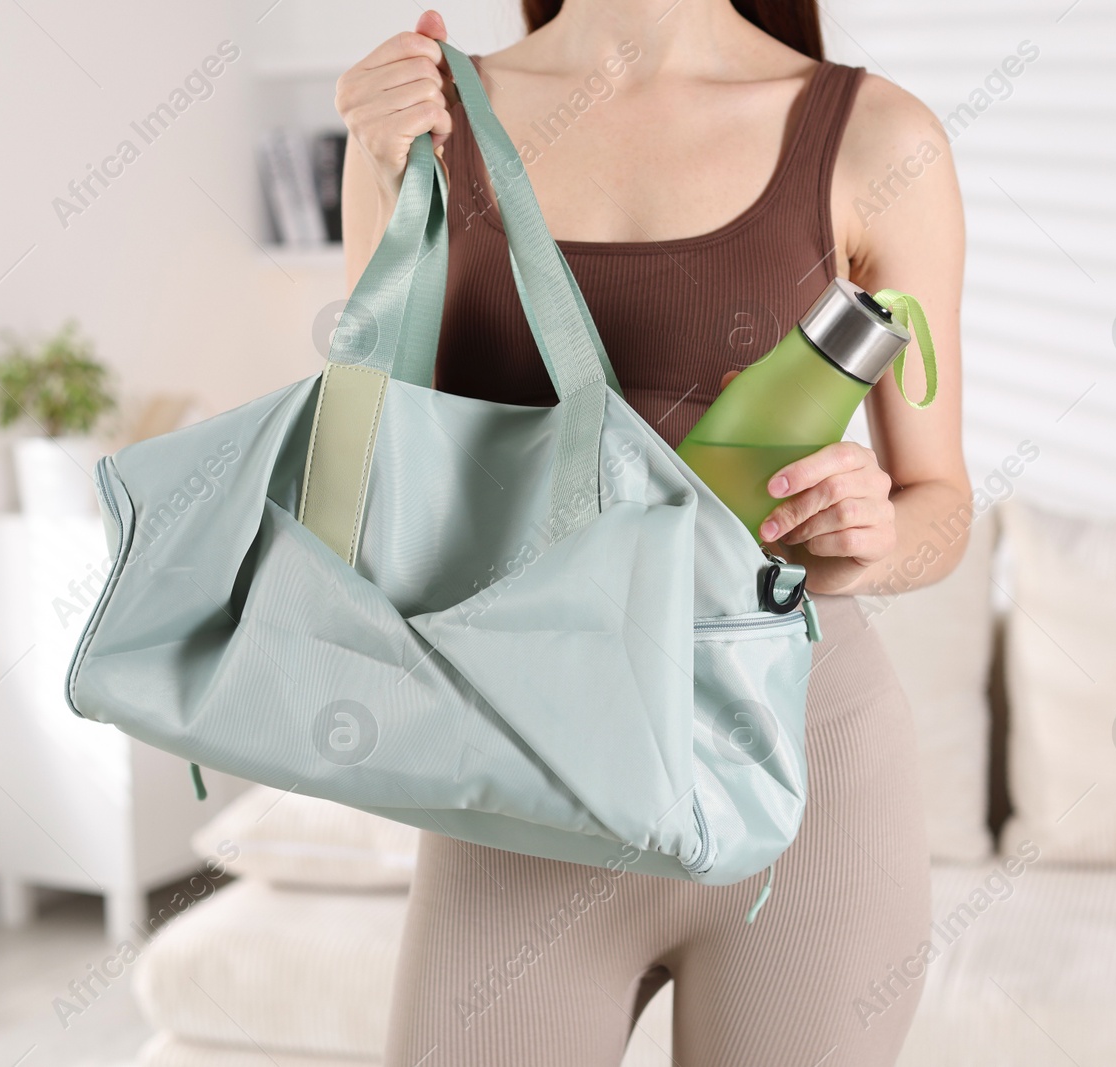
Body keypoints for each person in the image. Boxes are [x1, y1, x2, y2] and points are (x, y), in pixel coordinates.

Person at [335, 2, 970, 1063]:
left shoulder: (878, 138)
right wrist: (382, 170)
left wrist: (868, 543)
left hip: (805, 776)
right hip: (516, 785)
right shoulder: (426, 118)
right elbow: (370, 458)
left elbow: (939, 498)